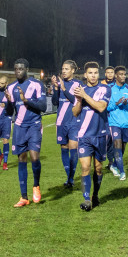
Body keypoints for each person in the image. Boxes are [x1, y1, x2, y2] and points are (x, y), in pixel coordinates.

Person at [6, 59, 47, 207]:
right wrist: (9, 102)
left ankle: (36, 185)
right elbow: (9, 112)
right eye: (16, 69)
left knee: (34, 158)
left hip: (34, 125)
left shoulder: (36, 84)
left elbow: (43, 106)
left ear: (27, 69)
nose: (18, 72)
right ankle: (24, 197)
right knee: (21, 159)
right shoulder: (11, 88)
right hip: (19, 127)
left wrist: (26, 100)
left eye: (21, 69)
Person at [72, 62, 112, 211]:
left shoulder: (105, 89)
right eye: (90, 73)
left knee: (98, 168)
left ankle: (95, 195)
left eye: (95, 72)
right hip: (84, 136)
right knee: (85, 167)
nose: (93, 75)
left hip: (101, 134)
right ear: (85, 75)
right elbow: (75, 112)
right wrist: (79, 100)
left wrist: (84, 96)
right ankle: (87, 199)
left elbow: (101, 107)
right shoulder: (80, 91)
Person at [51, 60, 82, 188]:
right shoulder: (58, 83)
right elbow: (54, 102)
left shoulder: (78, 84)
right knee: (64, 149)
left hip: (74, 121)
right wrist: (57, 88)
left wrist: (64, 89)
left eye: (66, 69)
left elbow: (76, 101)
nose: (63, 71)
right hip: (61, 121)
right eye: (62, 69)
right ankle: (69, 178)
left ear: (73, 70)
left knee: (73, 149)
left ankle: (70, 178)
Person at [107, 66, 128, 181]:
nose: (123, 76)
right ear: (115, 75)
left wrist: (126, 104)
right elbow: (105, 107)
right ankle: (122, 172)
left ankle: (114, 165)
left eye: (124, 74)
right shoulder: (109, 89)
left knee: (122, 148)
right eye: (121, 74)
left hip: (126, 123)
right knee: (117, 146)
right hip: (113, 123)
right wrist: (116, 103)